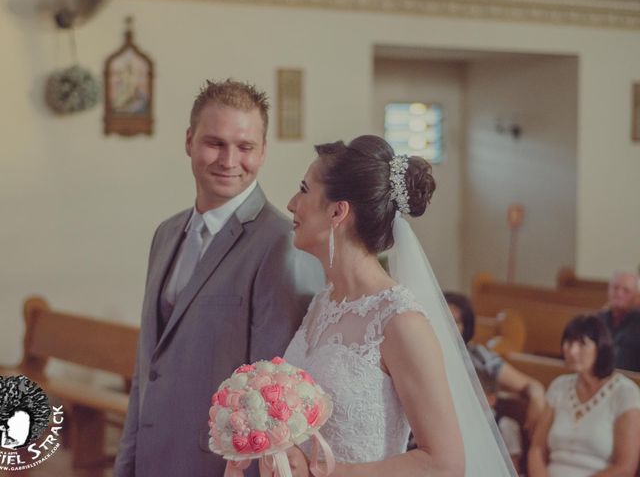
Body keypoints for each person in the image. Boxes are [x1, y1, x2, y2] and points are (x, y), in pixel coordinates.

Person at [114, 79, 322, 477]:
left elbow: (272, 404)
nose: (229, 160)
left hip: (216, 465)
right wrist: (127, 464)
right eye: (215, 143)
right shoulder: (166, 233)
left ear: (262, 152)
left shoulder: (283, 243)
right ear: (189, 141)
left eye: (244, 147)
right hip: (152, 460)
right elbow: (147, 370)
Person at [276, 136, 516, 476]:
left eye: (303, 189)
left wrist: (324, 471)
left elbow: (445, 464)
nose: (291, 203)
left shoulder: (400, 321)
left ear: (337, 211)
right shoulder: (323, 302)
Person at [444, 291, 546, 472]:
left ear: (465, 327)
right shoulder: (420, 352)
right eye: (444, 316)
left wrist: (536, 397)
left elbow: (530, 385)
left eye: (456, 321)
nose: (448, 325)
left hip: (472, 429)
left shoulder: (478, 356)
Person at [528, 315, 640, 477]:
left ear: (600, 348)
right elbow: (537, 450)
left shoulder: (625, 393)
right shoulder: (559, 387)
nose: (572, 351)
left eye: (582, 344)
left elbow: (625, 467)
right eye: (568, 343)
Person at [598, 270, 640, 371]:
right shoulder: (599, 319)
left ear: (636, 296)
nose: (619, 293)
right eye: (615, 288)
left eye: (626, 290)